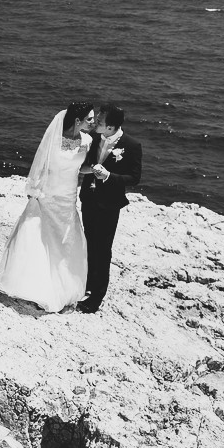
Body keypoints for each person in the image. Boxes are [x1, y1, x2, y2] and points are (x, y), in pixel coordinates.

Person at [0, 103, 96, 312]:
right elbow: (41, 163)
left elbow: (81, 168)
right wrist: (35, 189)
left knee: (64, 239)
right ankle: (34, 283)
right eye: (89, 119)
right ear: (77, 120)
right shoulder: (54, 138)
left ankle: (62, 282)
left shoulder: (87, 140)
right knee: (40, 237)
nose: (93, 122)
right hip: (49, 194)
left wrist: (94, 169)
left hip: (68, 196)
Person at [76, 103, 143, 314]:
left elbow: (134, 178)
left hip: (109, 204)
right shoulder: (94, 138)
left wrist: (109, 176)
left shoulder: (132, 145)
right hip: (88, 199)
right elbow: (84, 163)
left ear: (111, 127)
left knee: (103, 249)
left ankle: (97, 296)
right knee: (89, 242)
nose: (95, 123)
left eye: (100, 121)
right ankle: (87, 282)